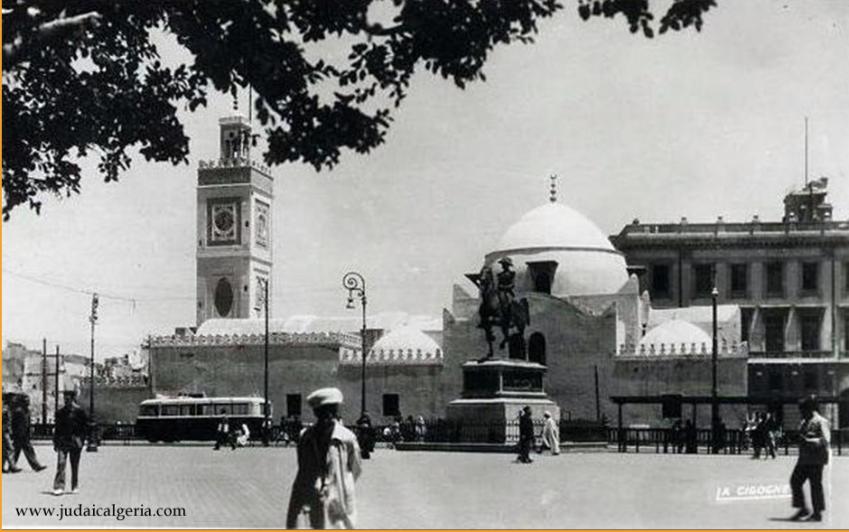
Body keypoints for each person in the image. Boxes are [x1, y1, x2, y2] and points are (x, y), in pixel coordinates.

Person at [286, 387, 362, 529]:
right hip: (314, 497)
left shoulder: (347, 438)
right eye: (322, 412)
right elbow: (303, 468)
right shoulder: (306, 437)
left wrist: (343, 483)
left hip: (340, 496)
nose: (327, 416)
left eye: (331, 411)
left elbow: (355, 468)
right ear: (316, 413)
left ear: (336, 412)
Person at [788, 395, 830, 522]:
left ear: (810, 409)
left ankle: (817, 513)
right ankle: (803, 508)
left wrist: (807, 440)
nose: (801, 413)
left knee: (815, 485)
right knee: (795, 481)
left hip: (816, 460)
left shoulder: (821, 421)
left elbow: (825, 440)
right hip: (804, 459)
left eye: (803, 410)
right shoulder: (804, 422)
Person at [53, 389, 89, 495]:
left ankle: (74, 485)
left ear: (73, 399)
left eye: (68, 398)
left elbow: (84, 428)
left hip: (75, 441)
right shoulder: (60, 413)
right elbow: (57, 429)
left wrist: (81, 440)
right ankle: (59, 486)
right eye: (65, 399)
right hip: (63, 441)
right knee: (61, 463)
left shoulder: (79, 412)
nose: (66, 401)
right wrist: (55, 442)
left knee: (74, 465)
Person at [11, 395, 47, 472]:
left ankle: (13, 466)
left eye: (28, 400)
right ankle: (36, 466)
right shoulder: (19, 411)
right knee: (19, 450)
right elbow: (14, 424)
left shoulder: (26, 410)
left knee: (20, 450)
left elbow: (27, 423)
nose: (28, 401)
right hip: (19, 434)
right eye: (26, 400)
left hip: (24, 434)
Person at [3, 400, 22, 474]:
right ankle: (13, 466)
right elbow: (6, 422)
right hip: (4, 431)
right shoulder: (5, 409)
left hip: (4, 431)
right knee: (10, 448)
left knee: (4, 449)